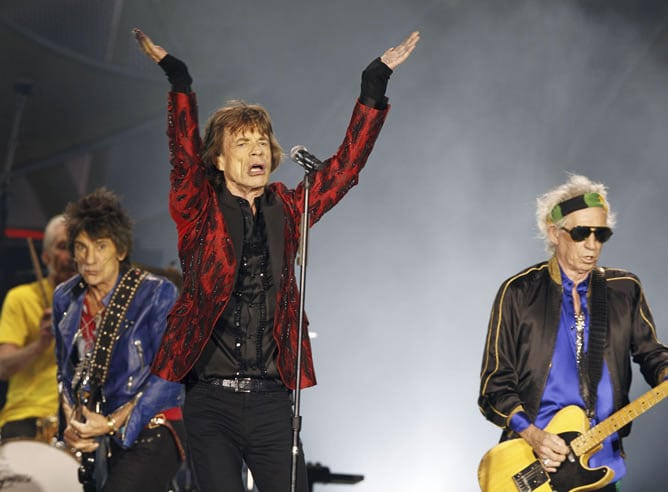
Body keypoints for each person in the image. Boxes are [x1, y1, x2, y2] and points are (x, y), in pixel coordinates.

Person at [133, 27, 419, 492]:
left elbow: (345, 167)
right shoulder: (198, 208)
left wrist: (374, 84)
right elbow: (182, 155)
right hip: (211, 400)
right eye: (242, 143)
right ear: (221, 160)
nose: (257, 150)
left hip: (272, 402)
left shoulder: (290, 206)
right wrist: (180, 83)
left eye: (262, 141)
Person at [478, 174, 668, 491]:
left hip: (601, 463)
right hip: (535, 462)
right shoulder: (519, 292)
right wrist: (533, 435)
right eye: (581, 233)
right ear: (555, 233)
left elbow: (651, 354)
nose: (593, 245)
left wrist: (663, 370)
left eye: (601, 234)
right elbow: (494, 386)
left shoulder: (624, 289)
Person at [53, 188, 185, 491]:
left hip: (154, 427)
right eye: (81, 247)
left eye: (100, 246)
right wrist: (73, 427)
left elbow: (169, 378)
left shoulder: (155, 293)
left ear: (121, 250)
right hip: (97, 438)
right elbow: (64, 373)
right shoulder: (65, 297)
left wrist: (113, 424)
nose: (89, 259)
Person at [0, 214, 76, 441]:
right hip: (27, 415)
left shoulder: (98, 304)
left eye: (77, 246)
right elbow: (2, 368)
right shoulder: (22, 298)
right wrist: (40, 345)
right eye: (63, 246)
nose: (71, 255)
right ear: (45, 256)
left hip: (81, 419)